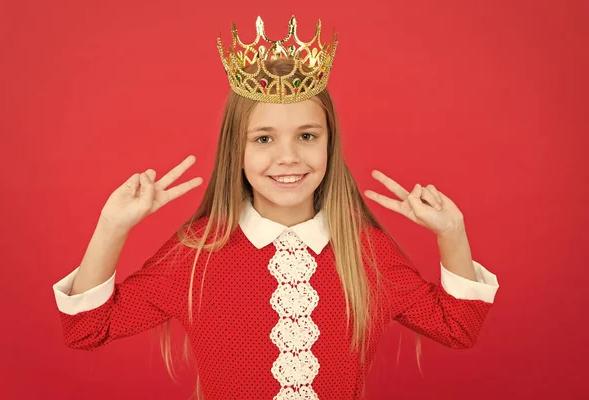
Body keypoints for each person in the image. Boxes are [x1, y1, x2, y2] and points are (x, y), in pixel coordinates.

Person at [52, 15, 500, 400]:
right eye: (264, 138)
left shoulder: (365, 253)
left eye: (307, 136)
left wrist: (451, 232)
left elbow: (457, 328)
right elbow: (86, 330)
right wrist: (112, 226)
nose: (288, 157)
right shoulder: (197, 253)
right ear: (237, 149)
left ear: (330, 144)